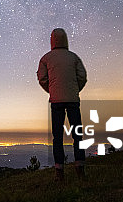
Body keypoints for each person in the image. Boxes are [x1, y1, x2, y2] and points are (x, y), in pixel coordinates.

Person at [37, 28, 87, 182]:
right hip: (73, 100)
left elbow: (42, 79)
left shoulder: (46, 58)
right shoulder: (74, 57)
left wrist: (52, 91)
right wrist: (74, 90)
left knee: (57, 137)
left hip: (56, 101)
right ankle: (80, 167)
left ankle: (59, 170)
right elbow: (82, 77)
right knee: (77, 134)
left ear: (52, 40)